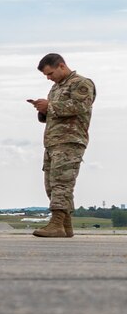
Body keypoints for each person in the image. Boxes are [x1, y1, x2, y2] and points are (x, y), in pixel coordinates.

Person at [28, 53, 95, 238]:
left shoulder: (81, 83)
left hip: (70, 141)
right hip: (52, 142)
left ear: (61, 66)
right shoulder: (55, 88)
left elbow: (79, 106)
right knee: (51, 185)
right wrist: (42, 110)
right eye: (46, 76)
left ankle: (56, 223)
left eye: (50, 73)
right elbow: (54, 112)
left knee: (61, 184)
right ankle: (65, 225)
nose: (49, 78)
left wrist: (49, 106)